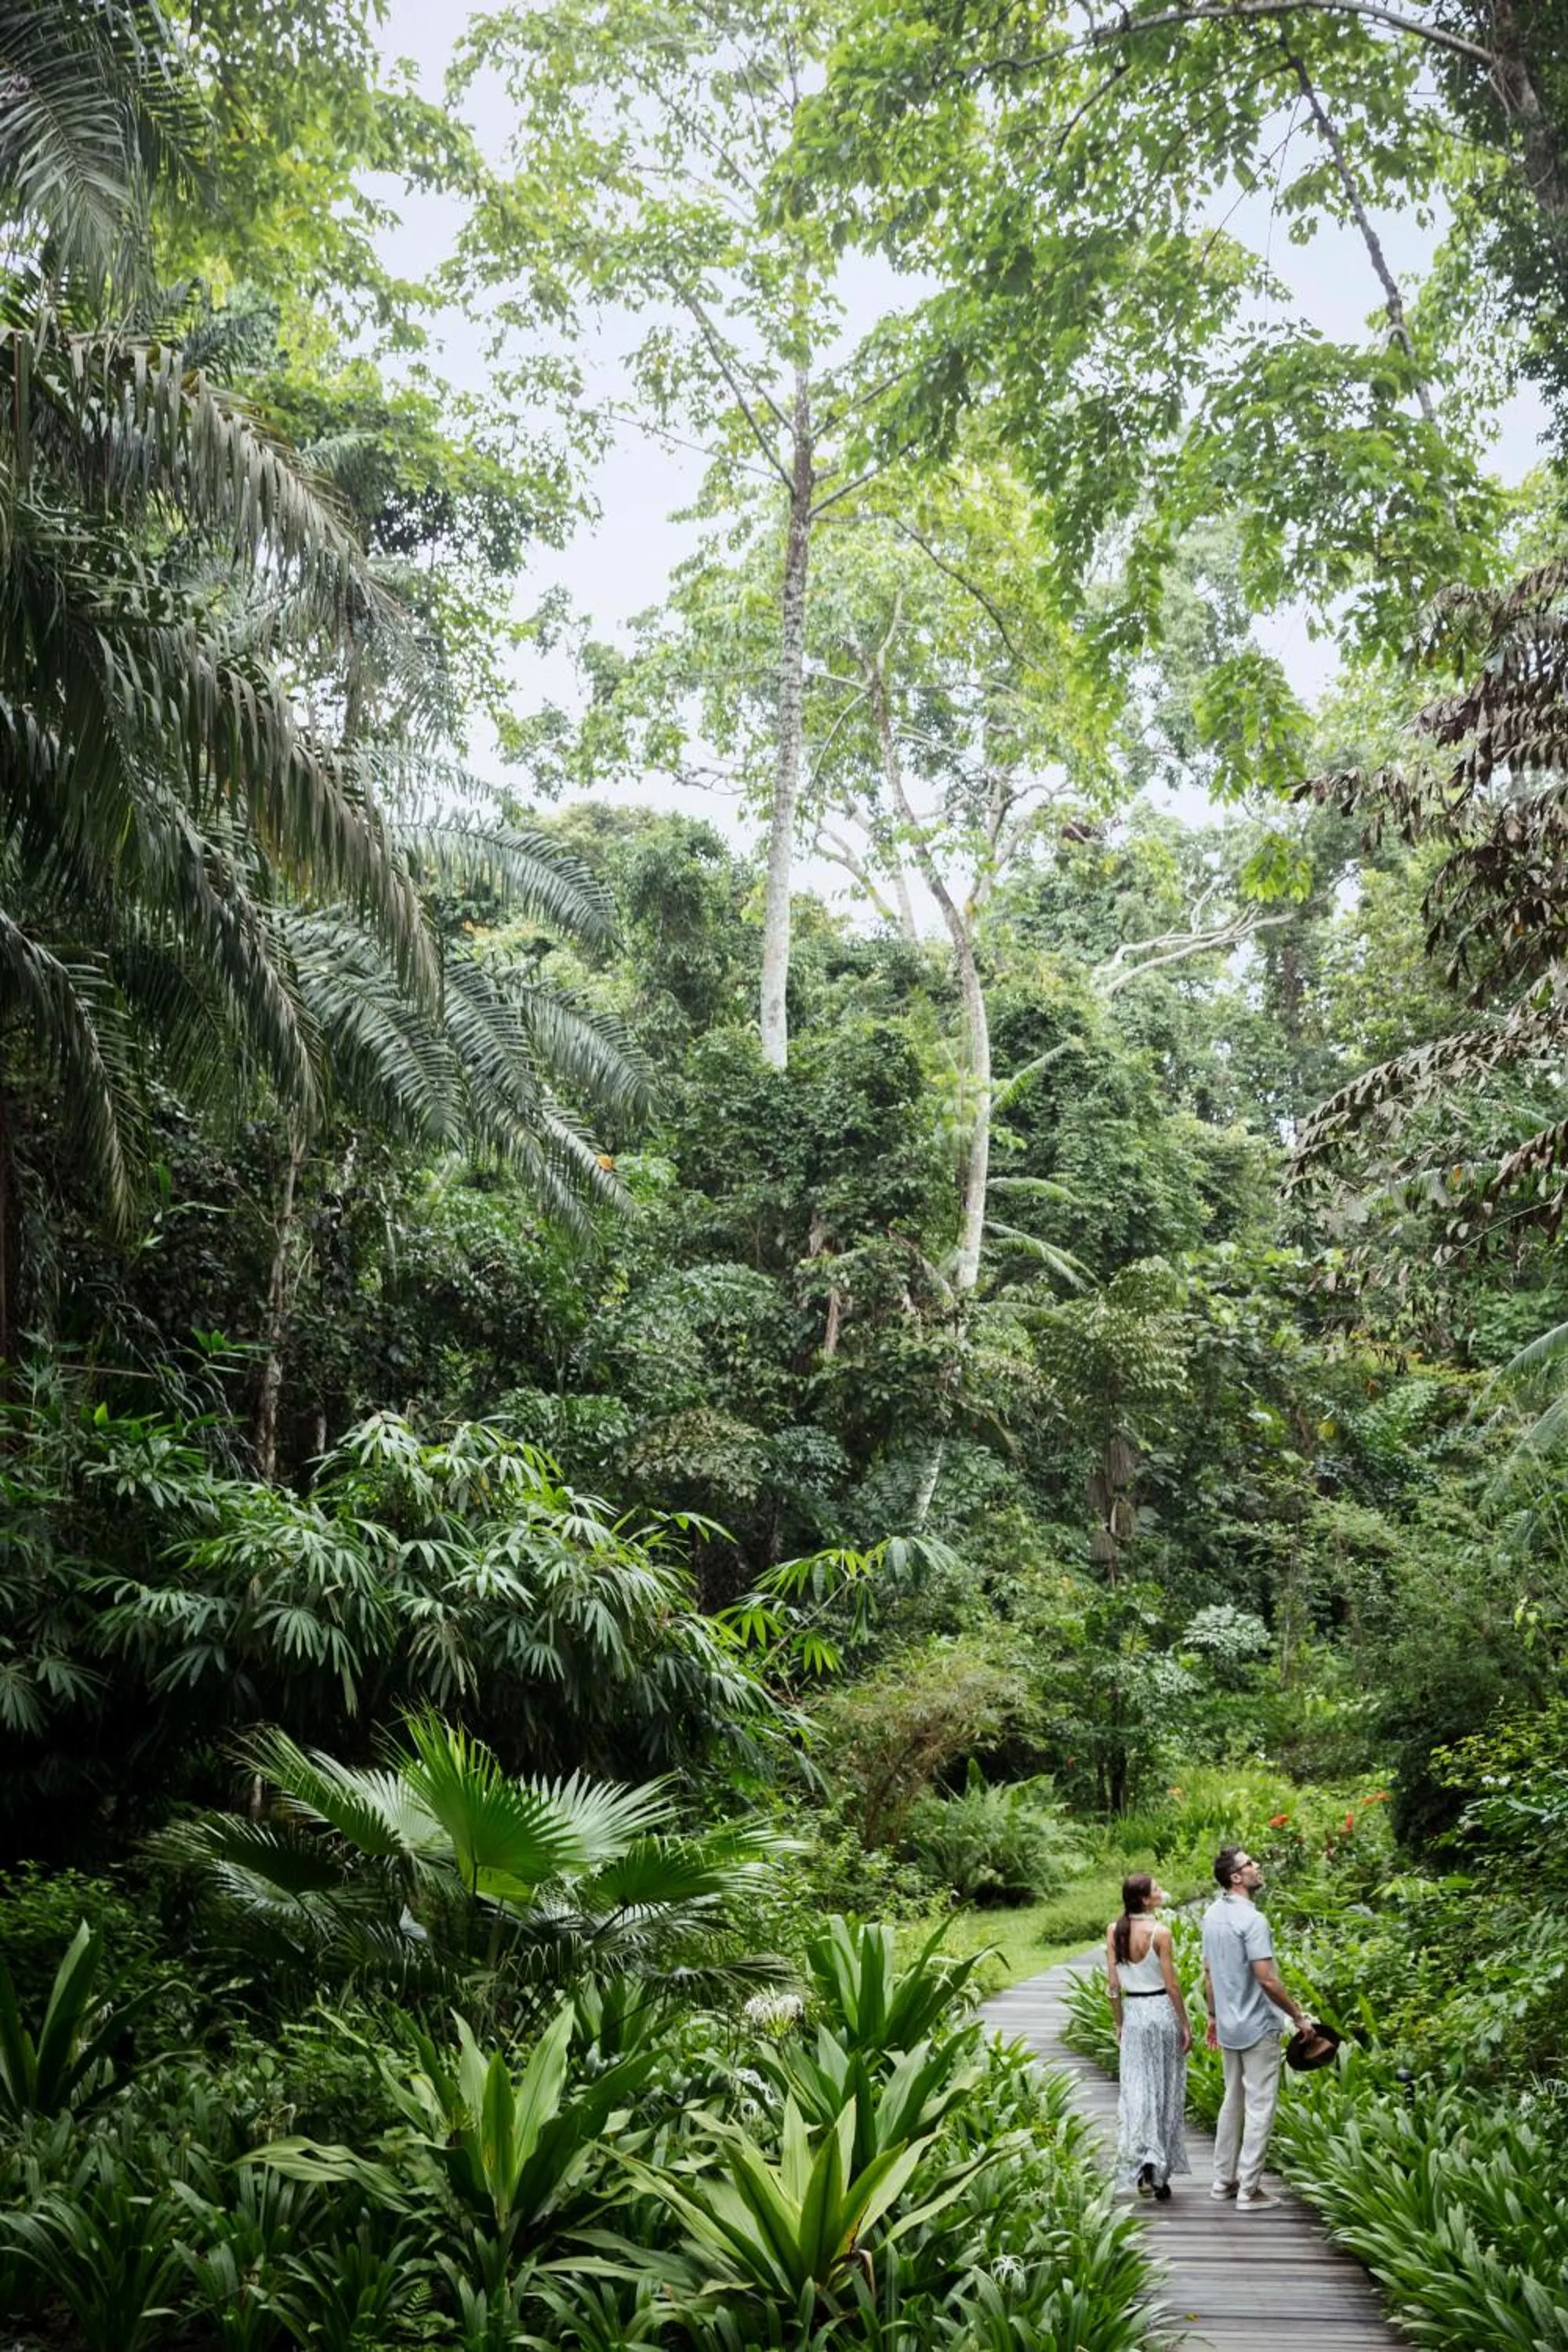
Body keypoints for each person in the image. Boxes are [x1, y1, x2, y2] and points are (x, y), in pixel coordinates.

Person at [1200, 1844, 1312, 2210]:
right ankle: (1249, 2190)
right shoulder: (1253, 1920)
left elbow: (1208, 1973)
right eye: (1250, 1864)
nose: (1257, 1866)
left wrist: (1214, 2016)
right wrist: (1298, 2017)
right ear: (1236, 1877)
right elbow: (1266, 1979)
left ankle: (1223, 2181)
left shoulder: (1212, 1915)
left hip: (1230, 2025)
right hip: (1258, 2025)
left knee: (1232, 2102)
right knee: (1260, 2106)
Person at [1105, 1871, 1192, 2201]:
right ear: (1144, 1899)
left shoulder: (1115, 1931)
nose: (1161, 1891)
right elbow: (1172, 1986)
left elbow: (1113, 1987)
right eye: (1156, 1889)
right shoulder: (1160, 1933)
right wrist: (1185, 2024)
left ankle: (1143, 2157)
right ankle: (1158, 2168)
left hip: (1136, 2015)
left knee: (1137, 2088)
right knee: (1165, 2087)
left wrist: (1119, 2023)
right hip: (1161, 2012)